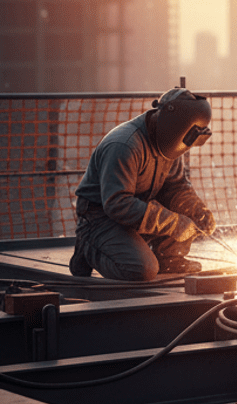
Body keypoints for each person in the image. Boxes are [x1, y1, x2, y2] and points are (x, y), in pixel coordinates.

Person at [70, 87, 215, 280]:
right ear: (172, 126)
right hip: (101, 218)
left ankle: (167, 258)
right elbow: (117, 204)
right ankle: (88, 246)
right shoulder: (124, 146)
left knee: (186, 215)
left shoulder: (171, 143)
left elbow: (176, 187)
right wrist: (172, 224)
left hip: (138, 210)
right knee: (142, 269)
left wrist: (196, 209)